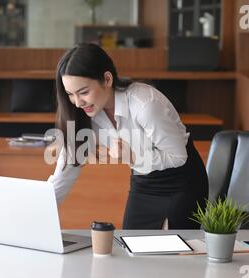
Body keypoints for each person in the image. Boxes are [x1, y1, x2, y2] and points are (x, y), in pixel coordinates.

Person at [47, 43, 208, 229]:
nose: (77, 102)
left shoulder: (146, 105)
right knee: (130, 246)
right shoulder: (84, 113)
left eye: (83, 92)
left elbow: (178, 157)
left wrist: (133, 157)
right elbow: (66, 170)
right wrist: (41, 209)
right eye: (70, 94)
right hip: (143, 180)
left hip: (181, 182)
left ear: (107, 79)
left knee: (168, 251)